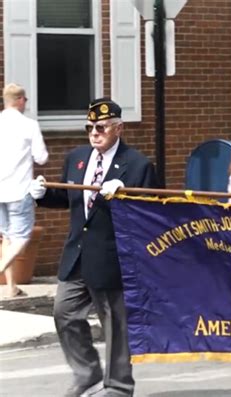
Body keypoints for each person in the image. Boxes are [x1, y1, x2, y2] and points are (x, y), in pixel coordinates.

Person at [29, 98, 158, 397]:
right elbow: (68, 199)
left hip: (112, 256)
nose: (94, 133)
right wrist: (42, 194)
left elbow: (149, 211)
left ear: (118, 128)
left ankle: (119, 386)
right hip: (77, 255)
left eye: (101, 127)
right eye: (89, 127)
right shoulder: (77, 157)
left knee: (114, 324)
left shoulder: (137, 164)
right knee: (64, 313)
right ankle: (87, 374)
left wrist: (124, 196)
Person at [0, 83, 48, 297]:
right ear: (19, 100)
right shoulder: (29, 125)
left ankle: (11, 287)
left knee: (6, 238)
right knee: (21, 237)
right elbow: (42, 157)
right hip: (19, 190)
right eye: (25, 100)